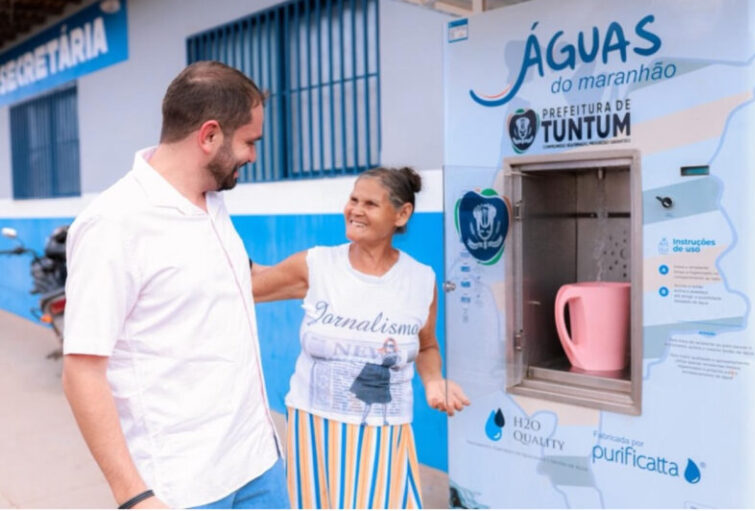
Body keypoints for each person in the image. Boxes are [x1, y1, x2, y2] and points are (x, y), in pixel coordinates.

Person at [61, 61, 289, 509]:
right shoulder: (114, 224)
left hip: (258, 462)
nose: (253, 156)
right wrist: (134, 496)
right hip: (183, 486)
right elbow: (81, 372)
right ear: (208, 136)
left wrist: (332, 272)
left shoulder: (212, 200)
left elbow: (237, 283)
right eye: (249, 142)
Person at [251, 167, 471, 509]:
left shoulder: (420, 280)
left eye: (370, 203)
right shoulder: (317, 265)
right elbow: (249, 284)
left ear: (402, 214)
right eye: (353, 199)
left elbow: (427, 346)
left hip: (384, 435)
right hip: (315, 430)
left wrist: (433, 382)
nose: (355, 209)